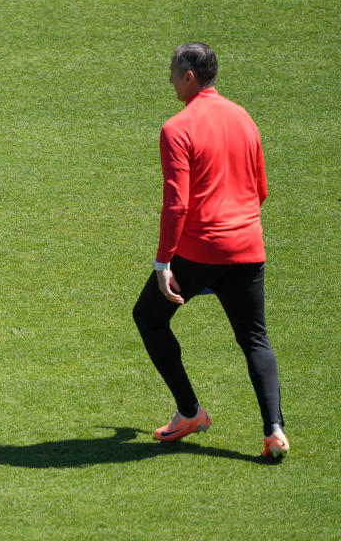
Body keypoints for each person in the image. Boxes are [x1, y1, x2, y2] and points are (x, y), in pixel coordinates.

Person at [132, 42, 289, 458]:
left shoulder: (176, 128)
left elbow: (177, 204)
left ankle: (189, 412)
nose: (168, 80)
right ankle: (274, 430)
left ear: (189, 77)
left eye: (172, 72)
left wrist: (164, 262)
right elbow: (261, 189)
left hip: (201, 250)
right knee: (255, 337)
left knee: (148, 316)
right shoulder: (242, 117)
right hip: (248, 246)